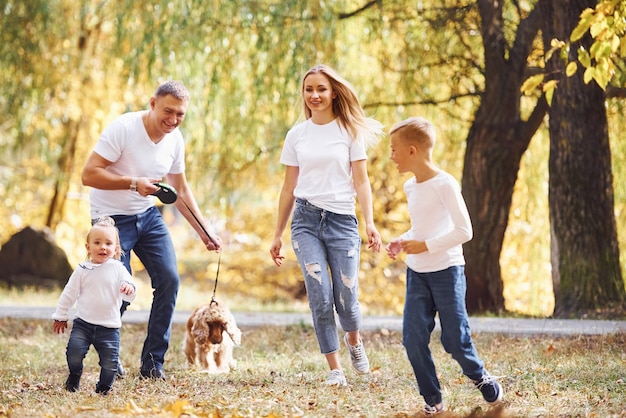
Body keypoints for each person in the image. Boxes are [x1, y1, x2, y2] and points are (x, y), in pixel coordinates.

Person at [81, 80, 222, 380]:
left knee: (169, 280)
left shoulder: (175, 139)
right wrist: (133, 183)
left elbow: (180, 189)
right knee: (118, 289)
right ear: (153, 103)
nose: (173, 120)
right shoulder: (124, 128)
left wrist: (204, 231)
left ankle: (152, 363)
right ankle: (109, 355)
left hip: (147, 214)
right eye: (168, 111)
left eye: (180, 114)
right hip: (111, 218)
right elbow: (88, 174)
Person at [269, 64, 383, 387]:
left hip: (342, 221)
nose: (315, 95)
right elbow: (288, 188)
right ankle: (335, 369)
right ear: (303, 95)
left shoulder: (349, 132)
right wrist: (277, 234)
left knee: (346, 294)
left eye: (321, 89)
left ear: (333, 92)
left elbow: (362, 182)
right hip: (305, 221)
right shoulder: (297, 135)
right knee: (319, 294)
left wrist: (370, 223)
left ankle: (354, 341)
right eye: (309, 90)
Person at [385, 116, 503, 415]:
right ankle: (433, 400)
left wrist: (425, 245)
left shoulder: (445, 183)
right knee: (412, 340)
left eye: (394, 149)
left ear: (412, 150)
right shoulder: (411, 187)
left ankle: (480, 375)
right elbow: (422, 228)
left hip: (447, 272)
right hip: (417, 275)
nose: (391, 156)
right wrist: (404, 240)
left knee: (454, 340)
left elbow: (465, 231)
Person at [52, 217, 137, 395]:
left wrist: (128, 289)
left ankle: (103, 388)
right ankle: (74, 375)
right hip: (83, 323)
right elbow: (69, 293)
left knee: (110, 363)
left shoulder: (119, 269)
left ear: (116, 249)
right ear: (88, 247)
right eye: (97, 242)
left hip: (109, 327)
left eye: (108, 243)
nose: (103, 247)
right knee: (73, 353)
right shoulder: (83, 269)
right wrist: (61, 315)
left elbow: (130, 293)